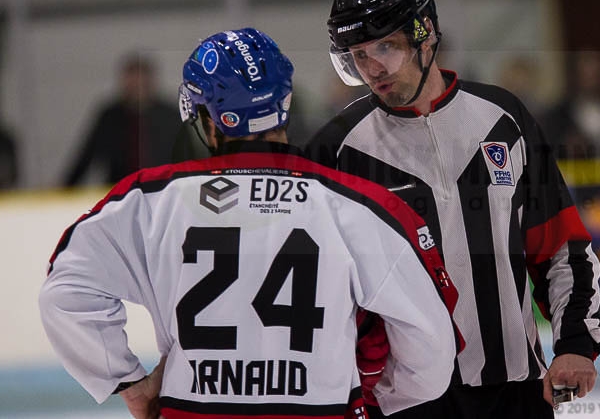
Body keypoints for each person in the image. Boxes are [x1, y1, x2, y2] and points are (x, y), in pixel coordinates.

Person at [40, 27, 461, 419]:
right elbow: (431, 345)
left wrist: (128, 382)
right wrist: (376, 398)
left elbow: (66, 292)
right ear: (283, 104)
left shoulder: (151, 202)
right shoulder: (361, 207)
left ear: (209, 117)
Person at [305, 0, 600, 419]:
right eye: (358, 56)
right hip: (401, 403)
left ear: (425, 34)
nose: (373, 69)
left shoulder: (505, 120)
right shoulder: (336, 150)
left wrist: (576, 343)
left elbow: (561, 247)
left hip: (514, 391)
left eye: (386, 47)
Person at [62, 53, 182, 187]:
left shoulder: (169, 115)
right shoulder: (110, 116)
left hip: (162, 189)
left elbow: (187, 155)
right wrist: (65, 190)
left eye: (141, 82)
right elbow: (87, 156)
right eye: (133, 83)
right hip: (119, 190)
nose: (137, 87)